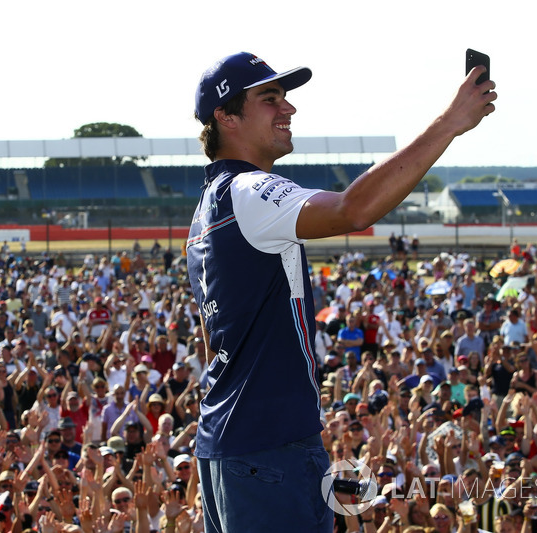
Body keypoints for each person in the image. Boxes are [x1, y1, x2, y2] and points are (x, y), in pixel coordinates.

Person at [186, 51, 496, 532]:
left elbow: (215, 341)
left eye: (285, 98)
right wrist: (450, 123)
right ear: (225, 117)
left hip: (233, 445)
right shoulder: (248, 190)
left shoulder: (207, 206)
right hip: (268, 448)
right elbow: (355, 209)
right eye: (270, 99)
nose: (288, 109)